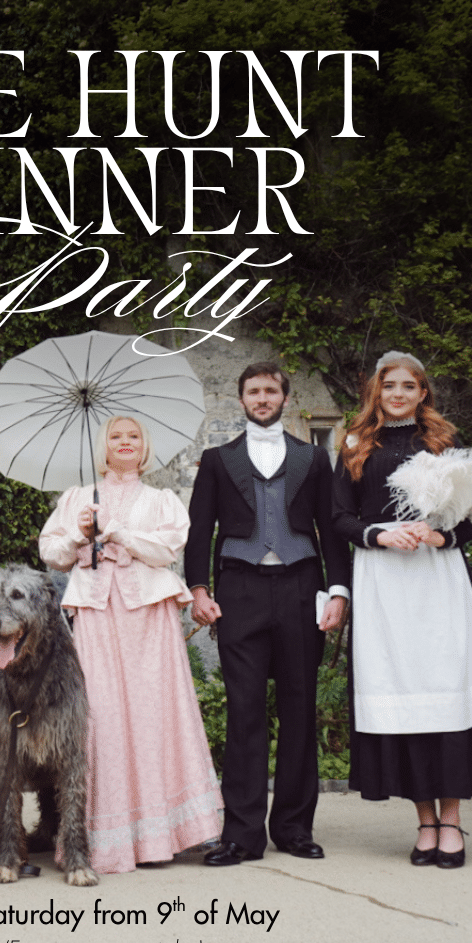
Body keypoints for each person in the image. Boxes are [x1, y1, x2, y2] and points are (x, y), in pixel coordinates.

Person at [332, 351, 472, 868]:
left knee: (446, 691)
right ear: (376, 391)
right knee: (402, 692)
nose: (397, 394)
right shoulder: (354, 444)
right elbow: (338, 517)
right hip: (383, 580)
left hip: (438, 579)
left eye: (408, 386)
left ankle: (453, 820)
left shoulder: (443, 443)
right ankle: (425, 822)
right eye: (388, 385)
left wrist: (443, 534)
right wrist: (380, 533)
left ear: (422, 393)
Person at [38, 415, 223, 873]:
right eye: (116, 436)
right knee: (102, 715)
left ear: (144, 448)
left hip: (148, 619)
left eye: (133, 437)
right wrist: (82, 532)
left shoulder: (161, 500)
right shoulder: (77, 499)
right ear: (104, 446)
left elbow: (166, 550)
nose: (125, 442)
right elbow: (52, 553)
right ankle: (102, 839)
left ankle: (167, 834)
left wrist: (118, 532)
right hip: (98, 619)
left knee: (155, 713)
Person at [187, 362, 350, 865]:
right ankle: (241, 835)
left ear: (284, 396)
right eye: (253, 391)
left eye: (270, 390)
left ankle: (295, 828)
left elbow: (331, 526)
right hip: (239, 590)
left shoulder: (314, 459)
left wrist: (339, 592)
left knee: (300, 711)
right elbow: (199, 531)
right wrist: (197, 588)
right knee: (244, 713)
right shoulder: (217, 460)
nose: (262, 398)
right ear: (242, 400)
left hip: (302, 587)